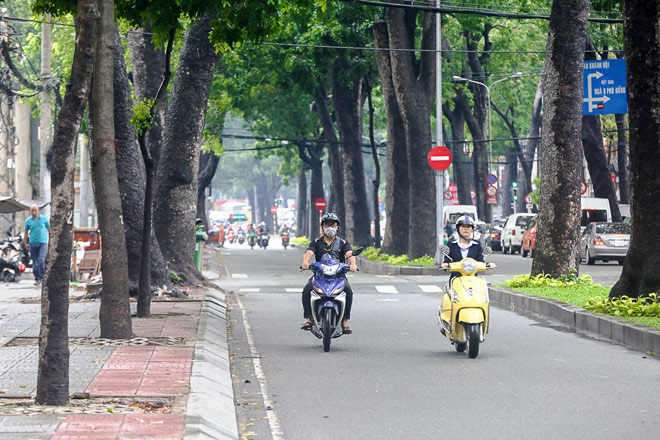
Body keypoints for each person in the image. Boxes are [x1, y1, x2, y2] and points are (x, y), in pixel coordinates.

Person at [300, 212, 357, 334]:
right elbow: (309, 252)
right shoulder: (316, 242)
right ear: (322, 226)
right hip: (319, 276)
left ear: (338, 227)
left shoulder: (343, 243)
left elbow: (349, 254)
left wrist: (353, 265)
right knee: (306, 290)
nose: (330, 227)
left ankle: (345, 322)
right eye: (327, 225)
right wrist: (305, 262)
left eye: (333, 225)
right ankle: (308, 319)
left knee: (348, 291)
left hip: (338, 277)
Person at [440, 215, 496, 281]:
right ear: (458, 228)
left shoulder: (477, 244)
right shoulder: (451, 244)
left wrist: (488, 264)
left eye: (468, 227)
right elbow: (447, 259)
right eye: (463, 226)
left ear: (472, 229)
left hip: (473, 280)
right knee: (450, 290)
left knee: (483, 287)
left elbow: (480, 260)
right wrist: (445, 264)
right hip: (456, 279)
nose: (466, 229)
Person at [23, 204, 50, 286]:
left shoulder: (44, 219)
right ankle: (37, 278)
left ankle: (42, 277)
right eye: (32, 210)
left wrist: (51, 241)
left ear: (38, 210)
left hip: (43, 243)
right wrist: (25, 243)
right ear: (30, 211)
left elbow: (49, 229)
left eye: (35, 210)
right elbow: (25, 232)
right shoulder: (28, 221)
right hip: (32, 243)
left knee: (41, 260)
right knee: (35, 263)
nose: (34, 212)